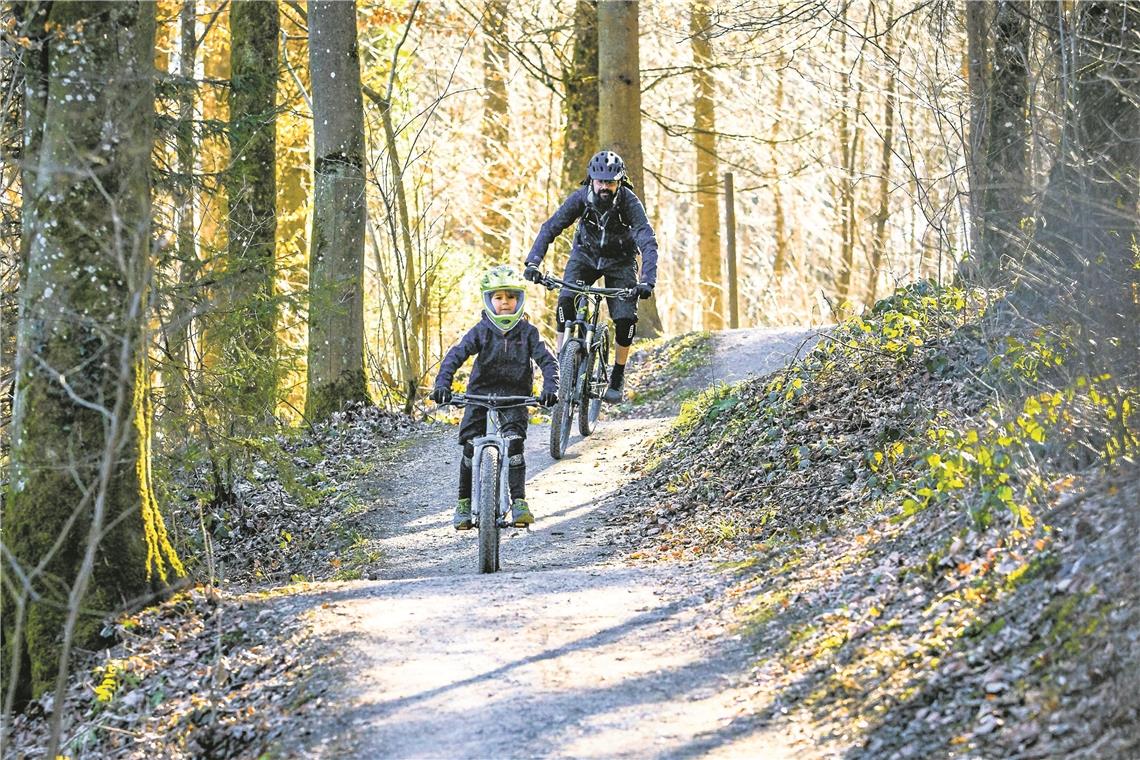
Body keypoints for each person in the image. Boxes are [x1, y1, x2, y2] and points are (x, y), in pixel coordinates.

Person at [523, 150, 659, 403]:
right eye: (600, 182)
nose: (604, 187)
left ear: (619, 181)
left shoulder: (630, 203)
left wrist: (646, 280)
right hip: (584, 256)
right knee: (565, 302)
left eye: (610, 182)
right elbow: (550, 227)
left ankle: (617, 374)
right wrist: (533, 262)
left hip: (620, 261)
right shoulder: (580, 199)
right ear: (591, 180)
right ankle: (561, 371)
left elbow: (647, 240)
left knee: (626, 318)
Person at [429, 265, 559, 530]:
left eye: (510, 297)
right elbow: (456, 355)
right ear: (488, 300)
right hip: (479, 394)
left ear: (519, 300)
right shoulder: (480, 330)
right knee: (469, 446)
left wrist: (550, 389)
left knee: (514, 446)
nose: (504, 303)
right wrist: (443, 384)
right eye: (498, 298)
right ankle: (463, 503)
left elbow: (548, 362)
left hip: (515, 397)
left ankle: (520, 501)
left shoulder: (529, 332)